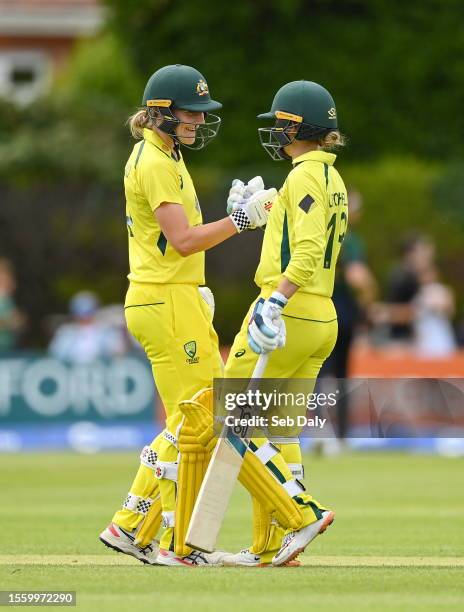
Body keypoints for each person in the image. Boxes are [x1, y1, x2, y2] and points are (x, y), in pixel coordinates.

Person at [98, 64, 276, 566]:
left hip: (176, 296)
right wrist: (241, 221)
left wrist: (202, 280)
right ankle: (141, 527)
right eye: (190, 112)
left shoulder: (166, 154)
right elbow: (182, 241)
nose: (198, 120)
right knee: (199, 418)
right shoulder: (153, 161)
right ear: (161, 113)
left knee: (197, 419)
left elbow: (183, 236)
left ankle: (135, 526)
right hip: (164, 298)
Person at [222, 80, 348, 567]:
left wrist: (274, 300)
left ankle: (301, 515)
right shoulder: (331, 177)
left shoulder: (303, 178)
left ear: (299, 127)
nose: (275, 130)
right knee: (280, 434)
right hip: (322, 315)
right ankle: (272, 548)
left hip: (289, 312)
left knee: (231, 422)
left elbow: (309, 249)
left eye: (281, 122)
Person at [49, 291, 127, 364]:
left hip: (102, 373)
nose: (85, 317)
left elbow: (117, 354)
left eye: (88, 312)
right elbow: (56, 355)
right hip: (71, 374)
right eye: (80, 313)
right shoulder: (66, 332)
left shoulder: (106, 330)